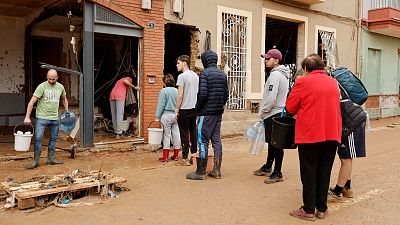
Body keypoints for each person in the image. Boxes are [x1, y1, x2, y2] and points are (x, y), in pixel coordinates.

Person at [286, 54, 342, 221]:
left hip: (310, 134)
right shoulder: (333, 82)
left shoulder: (303, 81)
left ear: (305, 68)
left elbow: (290, 107)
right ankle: (322, 208)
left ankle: (309, 209)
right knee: (325, 171)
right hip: (332, 134)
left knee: (309, 171)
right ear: (322, 67)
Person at [186, 50, 229, 180]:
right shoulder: (222, 75)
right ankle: (217, 170)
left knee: (202, 141)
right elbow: (226, 95)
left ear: (205, 61)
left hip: (206, 113)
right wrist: (219, 105)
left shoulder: (204, 74)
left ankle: (200, 172)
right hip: (218, 113)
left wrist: (197, 109)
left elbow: (203, 94)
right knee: (216, 140)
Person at [253, 48, 290, 184]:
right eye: (265, 58)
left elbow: (271, 98)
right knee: (273, 142)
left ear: (276, 60)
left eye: (268, 59)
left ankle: (277, 171)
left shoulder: (275, 76)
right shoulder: (282, 74)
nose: (265, 61)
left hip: (273, 113)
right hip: (277, 112)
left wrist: (263, 112)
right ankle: (268, 166)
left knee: (277, 144)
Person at [24, 69, 68, 169]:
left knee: (54, 138)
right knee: (38, 138)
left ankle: (51, 159)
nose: (51, 81)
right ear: (46, 77)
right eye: (49, 79)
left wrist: (67, 111)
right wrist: (27, 116)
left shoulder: (60, 87)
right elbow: (32, 101)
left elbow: (64, 98)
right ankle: (35, 161)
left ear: (57, 77)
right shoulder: (42, 86)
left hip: (54, 118)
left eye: (53, 79)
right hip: (42, 117)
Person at [329, 115, 367, 199]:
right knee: (346, 157)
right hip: (350, 122)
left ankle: (337, 192)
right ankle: (346, 188)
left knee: (346, 159)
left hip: (351, 124)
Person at [175, 55, 199, 166]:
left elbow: (180, 95)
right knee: (193, 131)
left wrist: (176, 109)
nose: (177, 65)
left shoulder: (182, 77)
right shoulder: (195, 76)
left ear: (185, 63)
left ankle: (184, 158)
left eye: (178, 63)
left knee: (184, 134)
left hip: (184, 108)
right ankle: (194, 154)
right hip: (194, 108)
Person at [155, 74, 181, 162]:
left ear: (164, 82)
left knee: (166, 135)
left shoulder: (163, 91)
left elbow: (161, 105)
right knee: (176, 134)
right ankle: (176, 155)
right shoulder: (177, 91)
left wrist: (157, 116)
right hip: (176, 115)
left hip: (166, 116)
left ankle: (165, 157)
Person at [109, 70, 140, 139]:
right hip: (119, 96)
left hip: (112, 96)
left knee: (114, 115)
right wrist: (135, 87)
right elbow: (125, 81)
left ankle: (116, 132)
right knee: (119, 115)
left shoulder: (119, 80)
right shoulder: (128, 78)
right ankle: (119, 134)